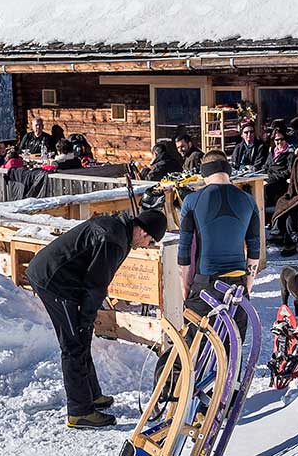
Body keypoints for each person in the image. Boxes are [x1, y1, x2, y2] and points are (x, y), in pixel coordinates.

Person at [28, 208, 169, 429]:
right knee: (73, 343)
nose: (147, 246)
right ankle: (79, 412)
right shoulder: (114, 240)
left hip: (66, 279)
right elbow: (95, 285)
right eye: (150, 241)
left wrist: (86, 321)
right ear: (142, 231)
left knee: (82, 337)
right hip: (54, 281)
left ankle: (91, 395)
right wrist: (86, 320)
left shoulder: (119, 230)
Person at [176, 157, 261, 334]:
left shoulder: (192, 201)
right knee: (233, 350)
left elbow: (184, 250)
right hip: (237, 286)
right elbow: (254, 249)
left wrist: (185, 287)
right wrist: (247, 286)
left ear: (204, 172)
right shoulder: (249, 201)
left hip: (205, 285)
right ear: (228, 172)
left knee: (195, 349)